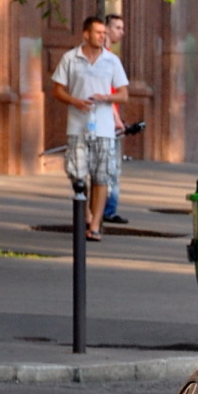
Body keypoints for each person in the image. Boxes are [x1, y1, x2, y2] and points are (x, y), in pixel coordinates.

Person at [50, 17, 128, 242]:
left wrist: (107, 97)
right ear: (86, 35)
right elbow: (57, 90)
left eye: (104, 33)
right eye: (98, 33)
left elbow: (124, 94)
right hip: (78, 126)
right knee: (77, 173)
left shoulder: (111, 61)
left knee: (102, 175)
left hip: (104, 128)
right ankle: (86, 214)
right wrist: (75, 101)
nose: (103, 37)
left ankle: (94, 226)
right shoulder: (71, 59)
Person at [101, 14, 127, 225]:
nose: (122, 32)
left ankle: (105, 208)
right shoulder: (107, 59)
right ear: (107, 30)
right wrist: (117, 120)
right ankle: (108, 209)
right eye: (118, 27)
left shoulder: (107, 57)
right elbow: (109, 94)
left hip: (109, 120)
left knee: (109, 168)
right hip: (108, 122)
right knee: (111, 168)